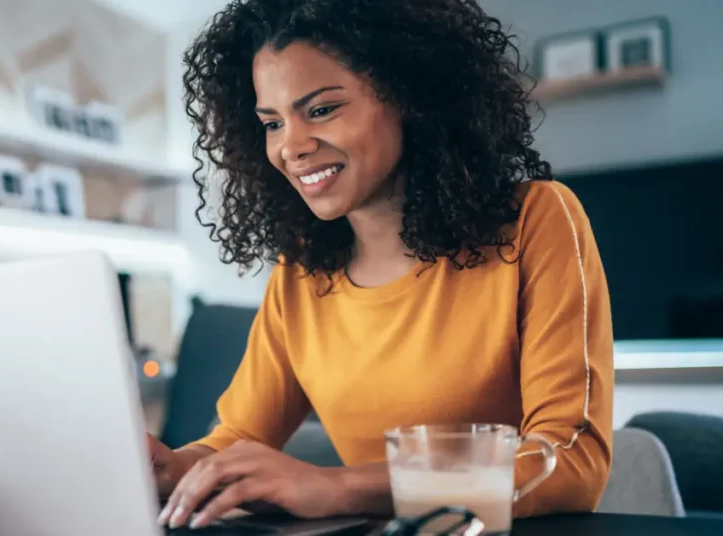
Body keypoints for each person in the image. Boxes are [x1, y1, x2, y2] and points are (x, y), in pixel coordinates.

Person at [149, 0, 614, 530]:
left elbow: (571, 460)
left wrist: (335, 486)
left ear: (409, 96)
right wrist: (172, 468)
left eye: (321, 109)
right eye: (272, 123)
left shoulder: (535, 218)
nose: (291, 147)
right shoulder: (302, 268)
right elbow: (238, 439)